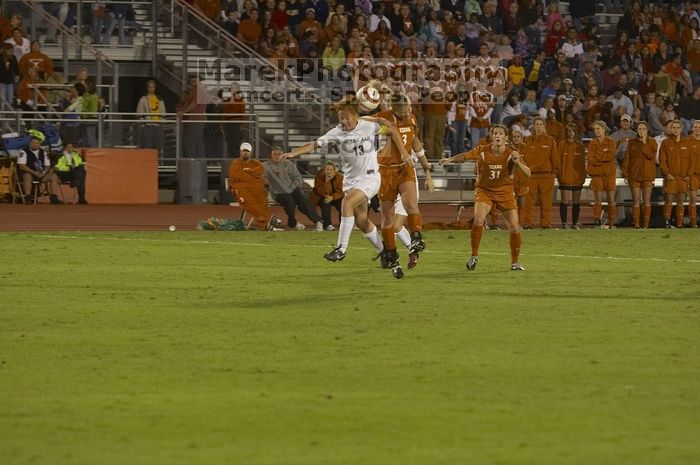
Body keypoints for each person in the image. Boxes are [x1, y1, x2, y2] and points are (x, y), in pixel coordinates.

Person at [282, 95, 401, 276]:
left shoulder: (370, 126)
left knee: (346, 204)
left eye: (346, 118)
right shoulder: (337, 132)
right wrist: (294, 153)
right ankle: (384, 251)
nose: (343, 121)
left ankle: (341, 249)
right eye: (341, 118)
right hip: (351, 181)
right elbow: (314, 144)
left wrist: (377, 118)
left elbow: (391, 127)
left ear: (356, 117)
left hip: (370, 178)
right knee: (362, 221)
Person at [439, 125, 530, 271]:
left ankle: (515, 262)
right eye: (495, 133)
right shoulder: (482, 150)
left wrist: (518, 163)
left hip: (505, 191)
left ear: (506, 138)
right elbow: (466, 155)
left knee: (514, 227)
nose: (498, 136)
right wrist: (450, 160)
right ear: (492, 136)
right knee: (479, 219)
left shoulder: (512, 153)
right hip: (485, 190)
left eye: (501, 133)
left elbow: (528, 173)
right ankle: (474, 256)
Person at [374, 91, 432, 272]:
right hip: (385, 172)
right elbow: (365, 121)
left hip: (405, 169)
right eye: (404, 111)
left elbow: (415, 142)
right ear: (395, 109)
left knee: (410, 206)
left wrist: (427, 170)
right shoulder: (384, 117)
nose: (408, 113)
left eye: (409, 110)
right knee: (388, 219)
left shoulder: (412, 118)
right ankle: (391, 253)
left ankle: (416, 240)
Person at [263, 146, 323, 231]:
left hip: (292, 189)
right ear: (271, 155)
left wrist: (291, 188)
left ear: (282, 155)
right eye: (274, 154)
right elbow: (257, 176)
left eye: (279, 154)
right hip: (278, 193)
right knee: (289, 200)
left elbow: (298, 178)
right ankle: (293, 222)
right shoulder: (264, 166)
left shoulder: (289, 164)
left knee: (303, 199)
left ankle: (318, 222)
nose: (276, 156)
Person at [228, 142, 279, 231]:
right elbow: (239, 176)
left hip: (255, 190)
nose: (245, 153)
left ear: (250, 153)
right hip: (241, 190)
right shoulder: (235, 163)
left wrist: (249, 172)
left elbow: (259, 172)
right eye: (244, 151)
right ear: (240, 152)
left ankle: (266, 222)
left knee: (261, 199)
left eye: (247, 151)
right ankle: (267, 221)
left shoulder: (256, 163)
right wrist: (252, 174)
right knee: (249, 201)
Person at [523, 117, 559, 229]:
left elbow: (555, 158)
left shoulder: (550, 140)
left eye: (540, 124)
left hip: (546, 175)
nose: (538, 126)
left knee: (546, 201)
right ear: (533, 126)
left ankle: (545, 223)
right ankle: (529, 223)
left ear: (544, 126)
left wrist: (553, 172)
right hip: (531, 175)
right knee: (529, 201)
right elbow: (522, 158)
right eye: (536, 124)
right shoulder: (527, 140)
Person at [622, 121, 657, 228]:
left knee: (646, 202)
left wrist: (645, 142)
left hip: (647, 175)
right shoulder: (632, 142)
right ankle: (636, 224)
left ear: (647, 130)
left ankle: (646, 225)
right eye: (639, 129)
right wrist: (625, 173)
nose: (641, 131)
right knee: (636, 202)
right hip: (634, 175)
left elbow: (650, 155)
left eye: (643, 129)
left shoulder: (652, 142)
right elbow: (627, 158)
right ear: (637, 130)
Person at [659, 120, 691, 228]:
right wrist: (667, 173)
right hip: (671, 177)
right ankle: (667, 222)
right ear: (670, 129)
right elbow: (662, 161)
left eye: (678, 127)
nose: (676, 129)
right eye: (674, 127)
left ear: (681, 129)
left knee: (681, 201)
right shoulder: (665, 143)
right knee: (669, 200)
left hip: (682, 178)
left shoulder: (687, 142)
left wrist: (688, 175)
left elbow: (691, 160)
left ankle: (679, 223)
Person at [587, 120, 618, 228]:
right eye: (595, 129)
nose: (596, 131)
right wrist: (603, 157)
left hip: (609, 175)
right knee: (598, 200)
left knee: (611, 200)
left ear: (604, 129)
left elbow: (611, 156)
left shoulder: (611, 142)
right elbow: (591, 160)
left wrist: (598, 156)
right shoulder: (592, 143)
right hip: (597, 176)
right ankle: (597, 222)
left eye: (598, 129)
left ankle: (612, 223)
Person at [16, 131, 61, 204]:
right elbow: (22, 166)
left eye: (37, 143)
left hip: (40, 173)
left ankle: (53, 197)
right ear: (30, 143)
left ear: (39, 144)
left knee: (54, 176)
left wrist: (43, 172)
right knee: (27, 176)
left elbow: (47, 165)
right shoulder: (24, 152)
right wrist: (34, 173)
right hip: (29, 173)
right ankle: (28, 197)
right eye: (33, 142)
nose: (35, 144)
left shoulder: (43, 152)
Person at [557, 124, 586, 229]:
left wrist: (582, 177)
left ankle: (574, 223)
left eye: (573, 130)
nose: (570, 133)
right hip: (565, 177)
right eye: (568, 130)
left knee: (576, 202)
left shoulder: (580, 146)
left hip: (577, 178)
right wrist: (560, 175)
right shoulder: (561, 145)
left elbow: (582, 164)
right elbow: (558, 162)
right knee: (564, 201)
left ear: (576, 132)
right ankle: (564, 223)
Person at [309, 161, 344, 230]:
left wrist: (332, 197)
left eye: (331, 170)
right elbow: (320, 191)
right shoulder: (319, 176)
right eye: (327, 169)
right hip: (320, 196)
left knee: (343, 205)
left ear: (334, 171)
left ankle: (343, 225)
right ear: (324, 170)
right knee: (326, 202)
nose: (329, 171)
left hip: (334, 196)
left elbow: (341, 191)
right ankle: (327, 224)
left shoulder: (340, 177)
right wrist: (326, 181)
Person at [136, 79, 166, 155]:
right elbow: (139, 112)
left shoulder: (159, 99)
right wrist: (142, 124)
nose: (151, 88)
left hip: (157, 125)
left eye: (153, 87)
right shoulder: (143, 99)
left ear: (155, 88)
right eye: (149, 87)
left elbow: (163, 112)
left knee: (157, 146)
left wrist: (162, 123)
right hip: (148, 125)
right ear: (147, 88)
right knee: (147, 145)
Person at [687, 120, 700, 228]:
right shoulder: (688, 142)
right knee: (693, 199)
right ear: (692, 129)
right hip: (693, 175)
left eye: (699, 127)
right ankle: (694, 223)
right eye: (695, 127)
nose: (697, 129)